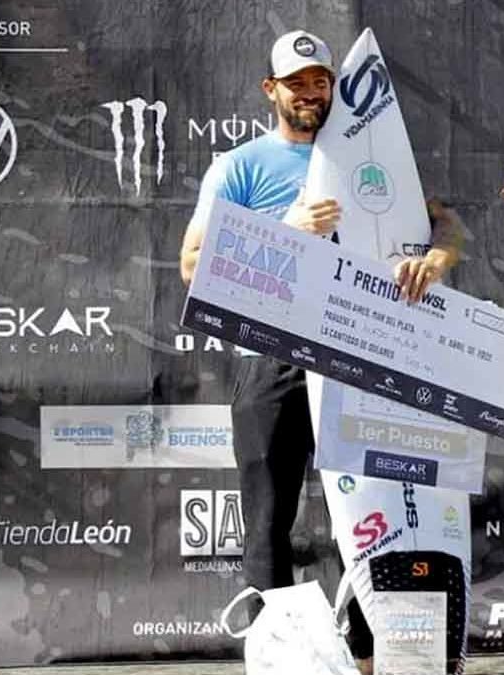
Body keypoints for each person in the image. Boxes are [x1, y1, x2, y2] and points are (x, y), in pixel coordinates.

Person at [178, 29, 463, 674]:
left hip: (357, 356)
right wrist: (285, 229)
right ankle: (280, 659)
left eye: (320, 81)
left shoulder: (368, 154)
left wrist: (441, 255)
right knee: (268, 516)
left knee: (367, 515)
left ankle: (369, 656)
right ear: (271, 90)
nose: (310, 92)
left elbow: (444, 221)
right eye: (296, 83)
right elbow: (192, 263)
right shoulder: (241, 166)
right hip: (272, 354)